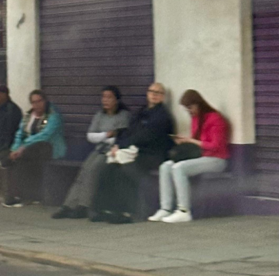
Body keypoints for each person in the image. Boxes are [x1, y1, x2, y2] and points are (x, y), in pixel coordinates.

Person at [91, 83, 174, 223]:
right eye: (151, 91)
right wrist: (118, 145)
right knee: (108, 168)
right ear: (147, 93)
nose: (154, 94)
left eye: (158, 92)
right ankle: (105, 209)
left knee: (126, 169)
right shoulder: (141, 112)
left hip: (153, 154)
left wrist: (123, 146)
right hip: (136, 151)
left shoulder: (162, 116)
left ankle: (129, 212)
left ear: (163, 97)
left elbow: (145, 136)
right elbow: (129, 131)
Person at [148, 90, 230, 223]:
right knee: (166, 166)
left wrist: (191, 141)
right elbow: (196, 143)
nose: (189, 111)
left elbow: (215, 146)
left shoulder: (215, 119)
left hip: (217, 160)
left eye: (190, 107)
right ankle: (165, 208)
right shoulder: (196, 119)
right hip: (201, 157)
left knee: (179, 168)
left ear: (198, 104)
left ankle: (183, 210)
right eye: (187, 109)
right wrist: (185, 141)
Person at [52, 86, 131, 219]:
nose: (105, 100)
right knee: (83, 171)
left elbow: (119, 137)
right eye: (103, 97)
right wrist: (107, 134)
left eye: (109, 97)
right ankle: (68, 205)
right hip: (98, 149)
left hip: (111, 152)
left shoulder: (123, 115)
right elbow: (90, 136)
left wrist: (103, 137)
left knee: (93, 170)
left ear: (117, 99)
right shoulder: (99, 115)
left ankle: (84, 205)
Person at [0, 90, 66, 207]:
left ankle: (18, 195)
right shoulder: (28, 116)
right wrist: (15, 149)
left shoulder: (53, 116)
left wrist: (23, 147)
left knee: (22, 156)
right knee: (16, 157)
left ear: (45, 101)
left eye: (39, 101)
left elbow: (45, 135)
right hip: (30, 150)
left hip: (49, 148)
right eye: (34, 102)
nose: (37, 105)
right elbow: (20, 133)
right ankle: (12, 196)